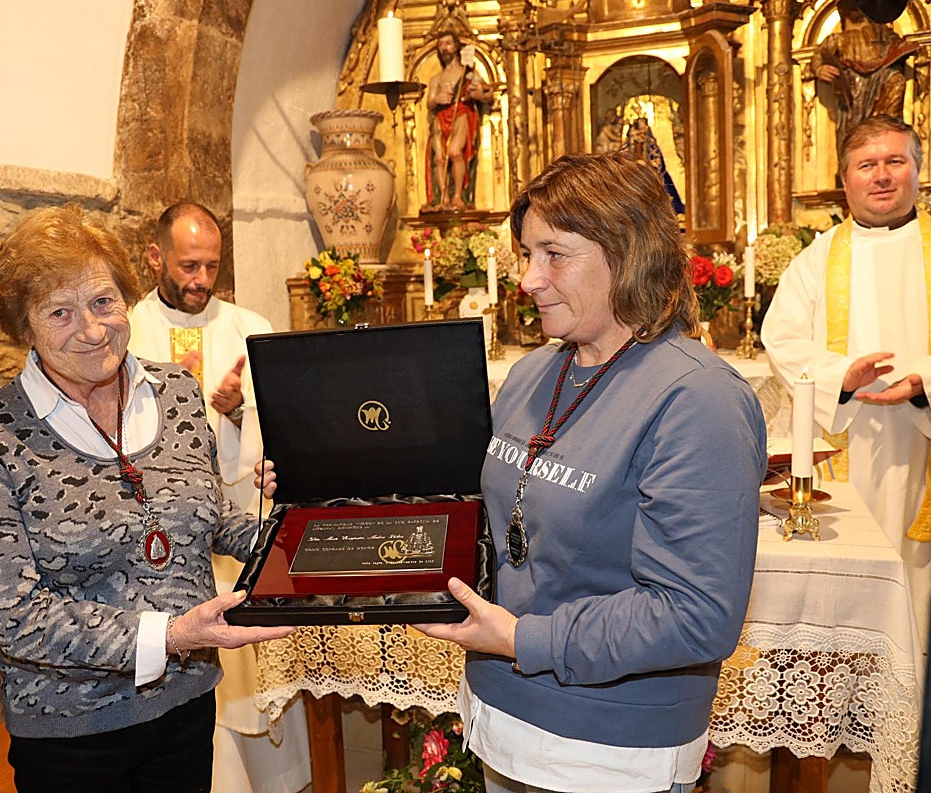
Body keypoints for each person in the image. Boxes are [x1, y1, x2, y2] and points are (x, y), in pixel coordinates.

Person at [263, 153, 766, 793]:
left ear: (629, 251)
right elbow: (476, 514)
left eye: (555, 254)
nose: (528, 279)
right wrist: (322, 489)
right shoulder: (535, 375)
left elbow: (696, 615)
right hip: (503, 713)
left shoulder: (697, 399)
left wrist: (523, 638)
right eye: (527, 253)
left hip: (606, 746)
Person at [0, 204, 295, 793]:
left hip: (186, 706)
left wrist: (305, 535)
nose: (91, 329)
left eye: (103, 302)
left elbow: (207, 515)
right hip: (74, 732)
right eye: (60, 311)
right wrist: (173, 636)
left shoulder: (178, 391)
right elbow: (20, 621)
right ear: (24, 328)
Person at [128, 202, 310, 793]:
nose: (201, 280)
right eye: (188, 266)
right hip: (161, 542)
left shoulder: (250, 329)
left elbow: (282, 439)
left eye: (210, 265)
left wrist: (234, 417)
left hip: (235, 533)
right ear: (155, 256)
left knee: (251, 672)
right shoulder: (125, 333)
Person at [761, 115, 931, 645]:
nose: (882, 176)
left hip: (930, 447)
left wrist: (927, 380)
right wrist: (840, 377)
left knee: (923, 587)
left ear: (919, 171)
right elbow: (781, 338)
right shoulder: (817, 258)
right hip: (842, 441)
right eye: (866, 165)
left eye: (895, 161)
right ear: (845, 179)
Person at [811, 3, 916, 163]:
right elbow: (819, 56)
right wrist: (820, 69)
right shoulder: (837, 39)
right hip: (854, 89)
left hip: (881, 81)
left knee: (896, 83)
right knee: (854, 134)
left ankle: (888, 144)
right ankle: (855, 163)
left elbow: (899, 46)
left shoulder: (883, 34)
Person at [422, 31, 496, 213]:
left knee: (455, 153)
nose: (444, 47)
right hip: (442, 117)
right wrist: (438, 98)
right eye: (440, 44)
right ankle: (444, 197)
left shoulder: (467, 74)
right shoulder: (436, 79)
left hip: (462, 113)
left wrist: (477, 95)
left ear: (456, 47)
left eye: (448, 43)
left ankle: (458, 197)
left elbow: (488, 93)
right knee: (439, 158)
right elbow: (430, 102)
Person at [622, 115, 685, 215]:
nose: (641, 133)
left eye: (644, 129)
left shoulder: (651, 144)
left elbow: (658, 162)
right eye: (639, 130)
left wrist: (651, 165)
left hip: (651, 174)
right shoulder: (631, 144)